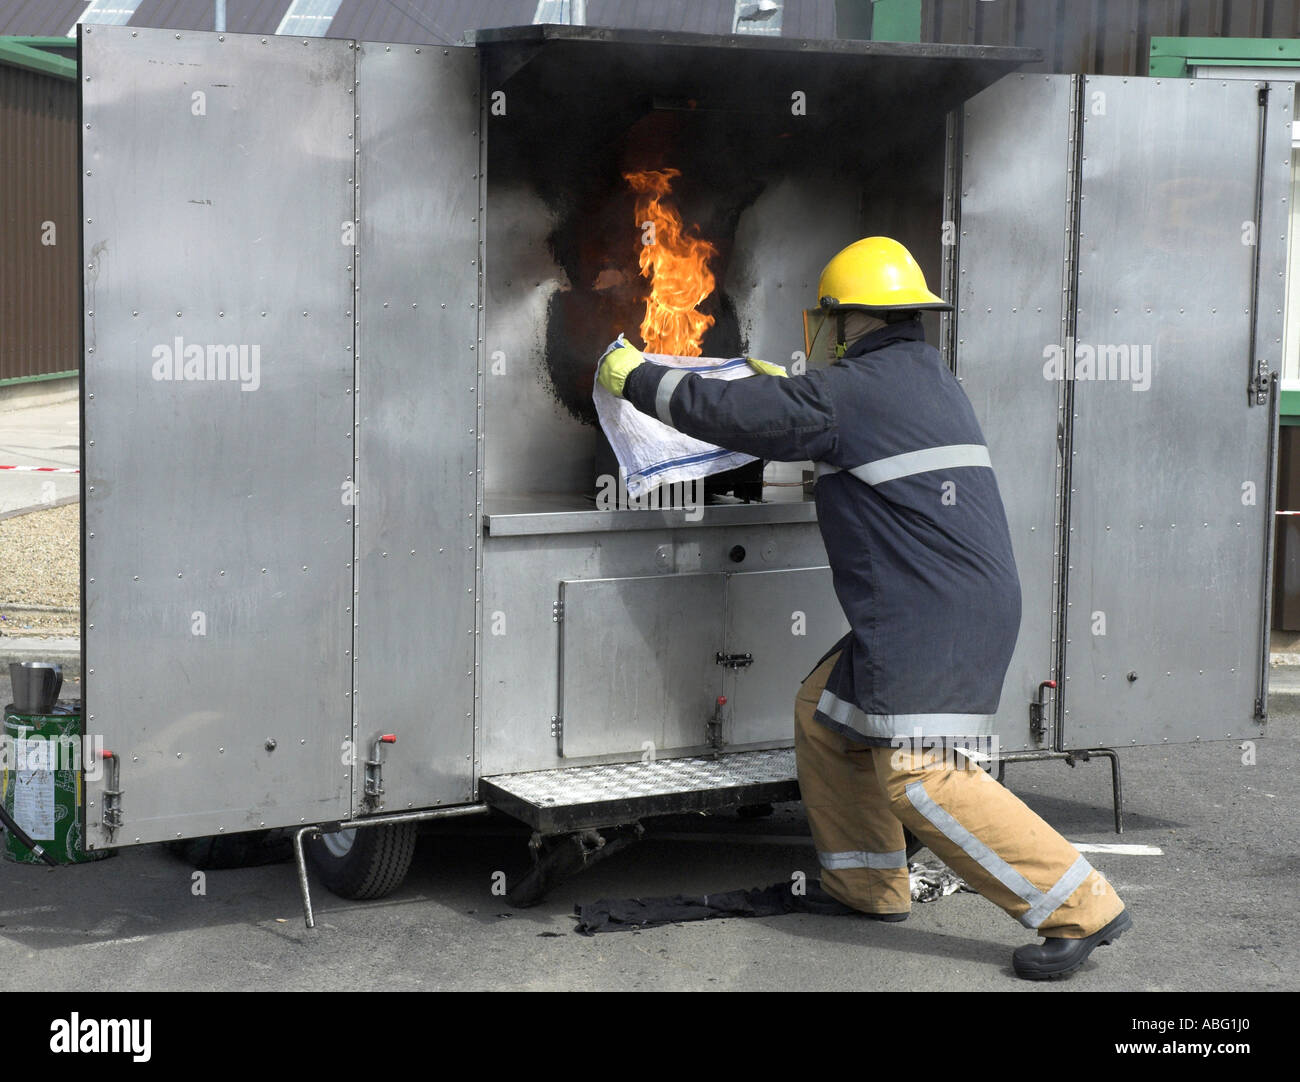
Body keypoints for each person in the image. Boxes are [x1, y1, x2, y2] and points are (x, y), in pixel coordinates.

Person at [596, 235, 1130, 980]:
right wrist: (780, 389)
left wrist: (638, 377)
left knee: (924, 774)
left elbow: (738, 416)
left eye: (827, 321)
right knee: (827, 714)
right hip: (943, 600)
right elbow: (806, 412)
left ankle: (1082, 907)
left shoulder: (852, 391)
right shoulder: (919, 375)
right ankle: (866, 885)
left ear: (845, 319)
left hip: (931, 612)